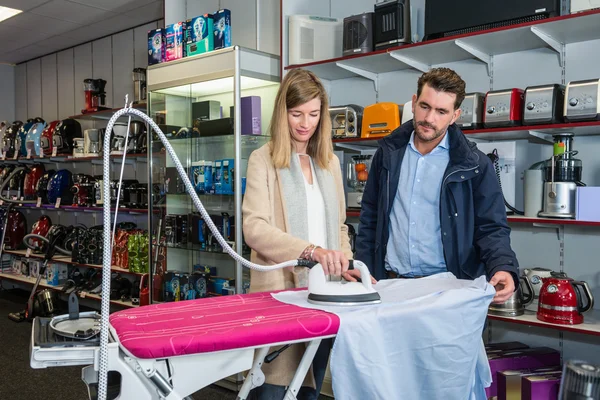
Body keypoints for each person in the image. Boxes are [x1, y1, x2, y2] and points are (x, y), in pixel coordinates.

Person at [242, 68, 363, 399]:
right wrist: (311, 251)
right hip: (280, 296)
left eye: (313, 114)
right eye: (296, 114)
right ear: (283, 112)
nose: (305, 123)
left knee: (311, 387)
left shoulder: (328, 163)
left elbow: (339, 227)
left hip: (324, 296)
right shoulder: (263, 160)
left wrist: (347, 265)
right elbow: (254, 227)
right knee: (272, 389)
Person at [354, 67, 518, 304]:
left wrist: (503, 266)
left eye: (441, 111)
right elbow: (370, 217)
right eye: (424, 106)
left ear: (455, 116)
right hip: (390, 286)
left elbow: (491, 228)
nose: (429, 119)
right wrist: (364, 267)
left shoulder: (475, 165)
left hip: (451, 291)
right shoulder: (387, 155)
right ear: (413, 103)